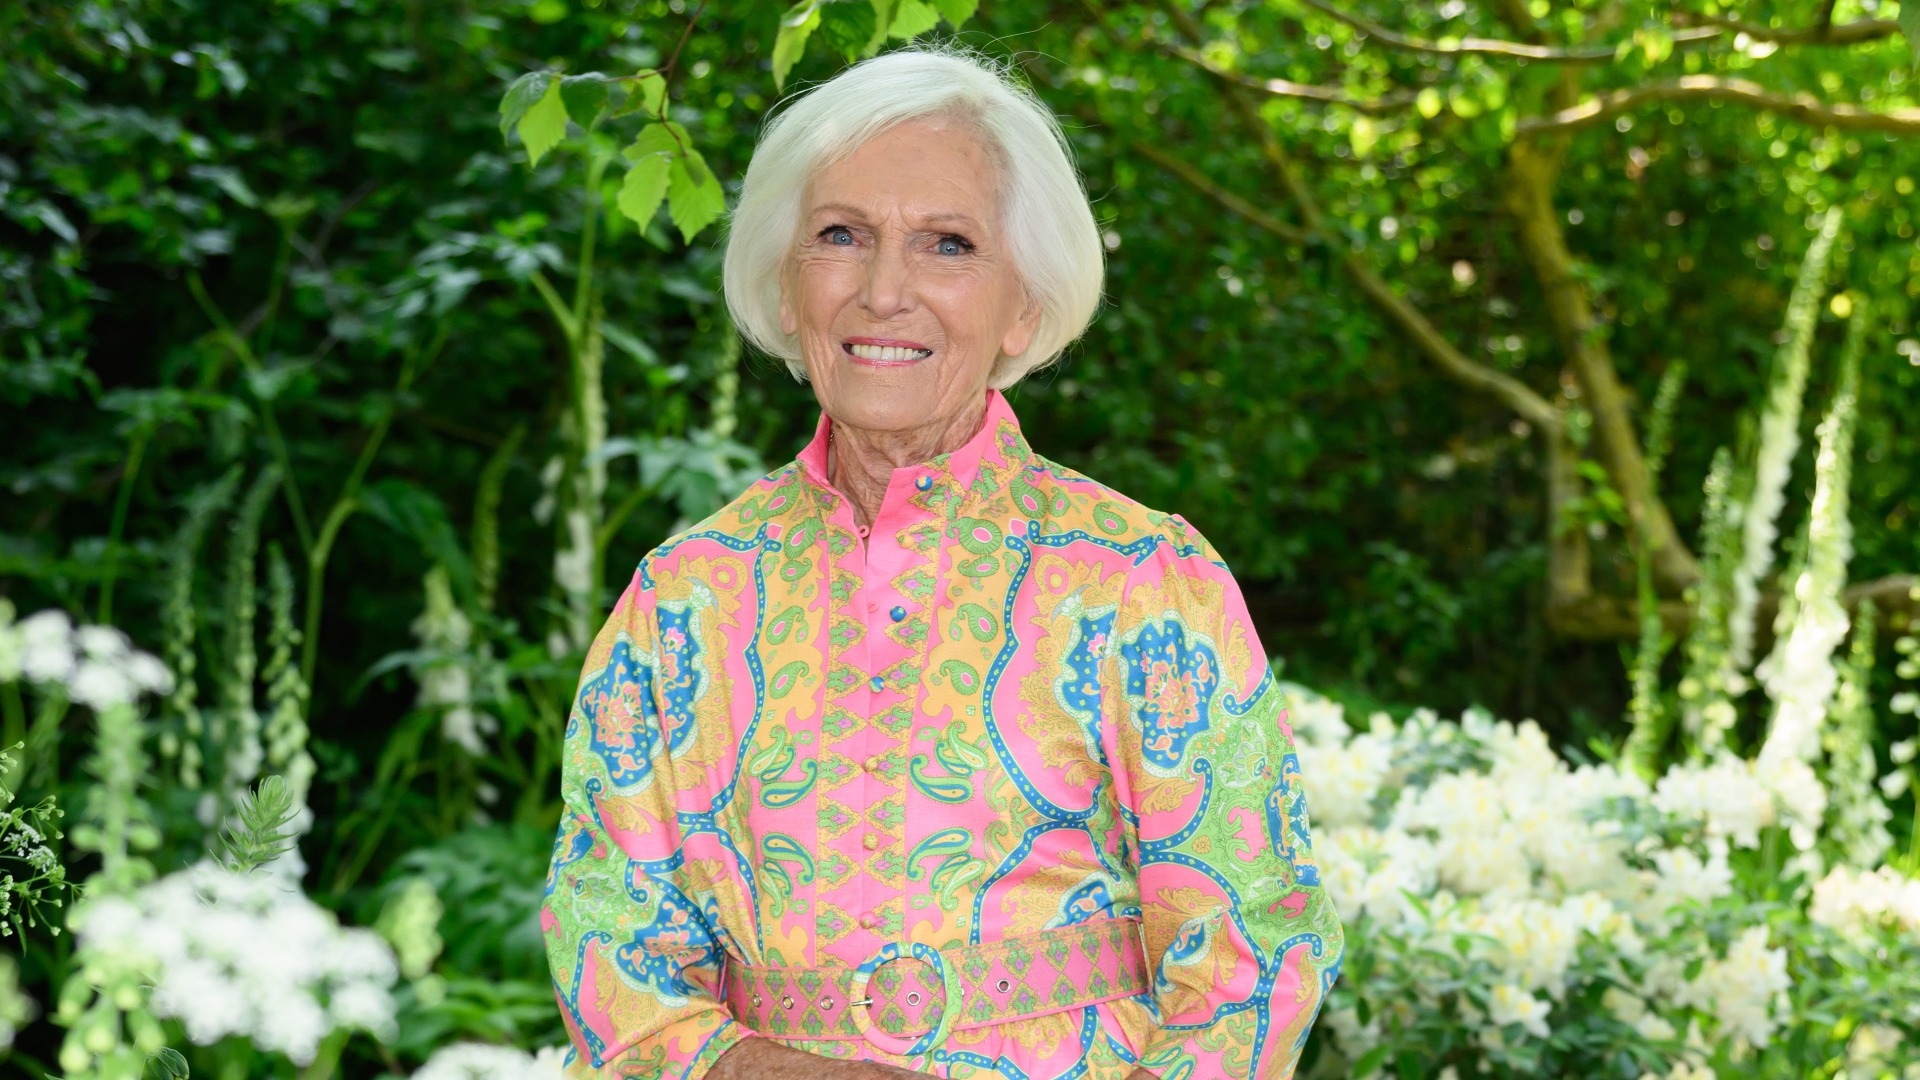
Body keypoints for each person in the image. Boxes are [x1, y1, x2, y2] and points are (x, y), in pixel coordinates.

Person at [543, 46, 1343, 1080]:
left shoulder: (1140, 579)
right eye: (840, 236)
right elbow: (611, 942)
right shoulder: (684, 598)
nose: (885, 291)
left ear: (1025, 302)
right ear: (789, 285)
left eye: (948, 244)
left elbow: (1254, 949)